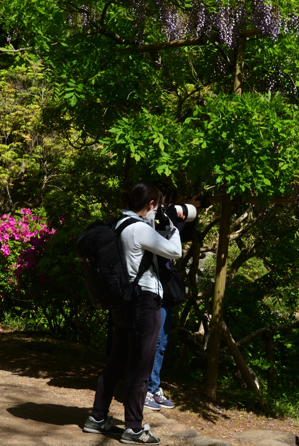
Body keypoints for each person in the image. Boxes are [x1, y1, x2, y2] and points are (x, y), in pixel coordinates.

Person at [83, 182, 182, 445]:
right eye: (158, 205)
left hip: (124, 302)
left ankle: (97, 417)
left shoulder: (119, 224)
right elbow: (175, 251)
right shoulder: (139, 228)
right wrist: (171, 225)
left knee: (117, 361)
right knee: (141, 365)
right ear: (151, 204)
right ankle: (134, 428)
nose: (159, 209)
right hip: (144, 303)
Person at [144, 201, 198, 413]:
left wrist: (180, 215)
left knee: (162, 342)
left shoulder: (168, 222)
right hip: (152, 290)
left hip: (165, 292)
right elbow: (171, 248)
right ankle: (146, 389)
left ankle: (154, 387)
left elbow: (186, 235)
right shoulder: (147, 225)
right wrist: (170, 218)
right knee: (154, 341)